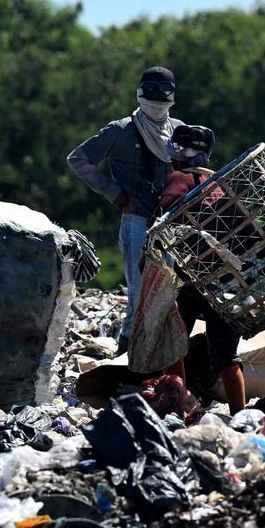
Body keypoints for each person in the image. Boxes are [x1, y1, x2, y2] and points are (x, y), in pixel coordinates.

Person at [67, 67, 183, 354]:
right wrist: (116, 195)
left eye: (163, 94)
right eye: (152, 93)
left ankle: (159, 356)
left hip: (169, 223)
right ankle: (128, 352)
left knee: (167, 291)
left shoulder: (179, 130)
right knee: (139, 292)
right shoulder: (120, 130)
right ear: (140, 94)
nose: (156, 101)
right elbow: (78, 159)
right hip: (136, 219)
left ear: (172, 98)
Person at [158, 125, 247, 413]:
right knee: (226, 357)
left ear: (176, 156)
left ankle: (178, 407)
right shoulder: (219, 184)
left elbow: (166, 211)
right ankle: (240, 415)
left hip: (191, 280)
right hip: (226, 281)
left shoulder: (179, 178)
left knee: (173, 343)